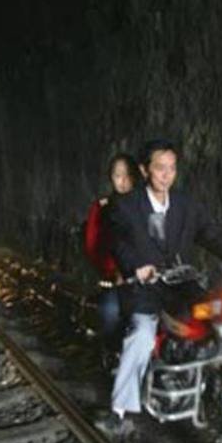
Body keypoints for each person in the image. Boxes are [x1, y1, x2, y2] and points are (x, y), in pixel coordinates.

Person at [98, 139, 222, 435]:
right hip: (146, 288)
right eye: (160, 168)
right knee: (141, 336)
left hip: (183, 286)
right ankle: (119, 410)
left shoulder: (186, 205)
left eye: (172, 168)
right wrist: (136, 266)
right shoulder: (125, 205)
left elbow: (212, 233)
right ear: (144, 170)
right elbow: (118, 241)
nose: (167, 175)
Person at [82, 153, 137, 356]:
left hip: (146, 277)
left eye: (128, 175)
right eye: (118, 175)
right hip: (117, 279)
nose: (123, 181)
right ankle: (113, 354)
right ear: (111, 178)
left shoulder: (146, 204)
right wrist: (112, 270)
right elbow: (93, 245)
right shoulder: (102, 208)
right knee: (111, 311)